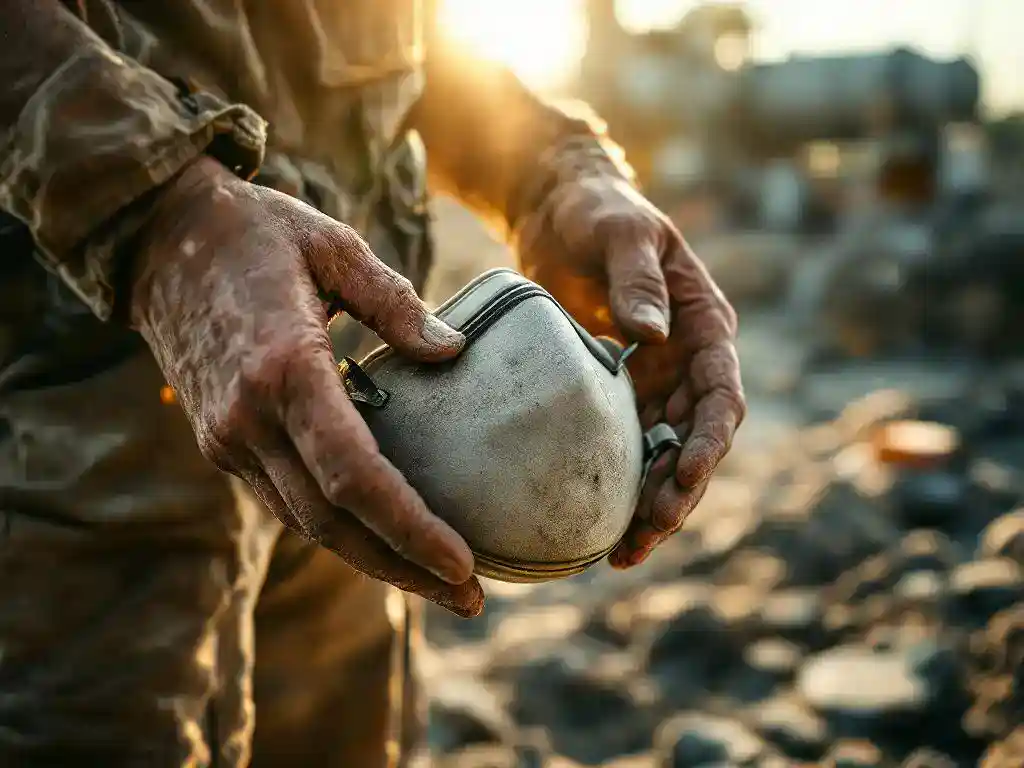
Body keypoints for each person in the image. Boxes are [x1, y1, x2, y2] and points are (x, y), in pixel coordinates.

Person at [0, 1, 745, 765]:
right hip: (72, 435)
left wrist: (555, 169)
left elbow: (400, 40)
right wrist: (161, 216)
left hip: (379, 440)